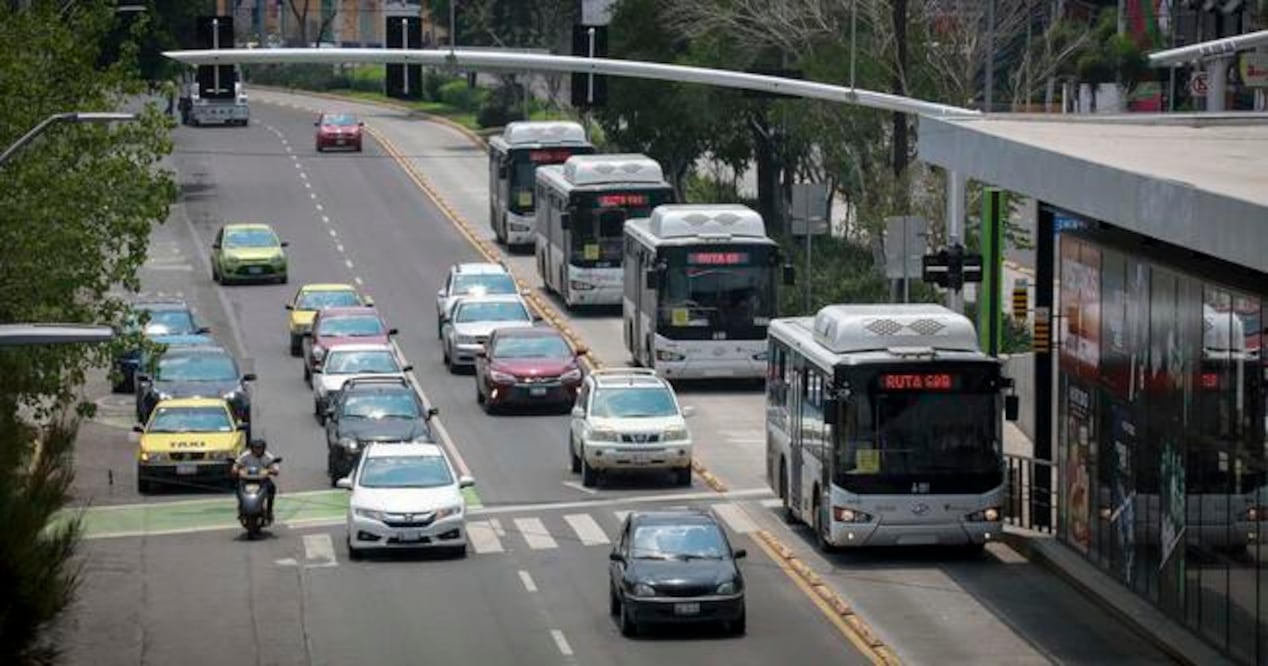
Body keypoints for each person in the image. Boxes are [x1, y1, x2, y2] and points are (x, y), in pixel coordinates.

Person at [233, 438, 279, 523]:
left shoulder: (268, 457)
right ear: (251, 448)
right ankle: (241, 507)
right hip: (247, 479)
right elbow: (237, 464)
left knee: (272, 488)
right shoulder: (245, 455)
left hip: (262, 480)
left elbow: (275, 469)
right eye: (255, 448)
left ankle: (269, 510)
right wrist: (235, 469)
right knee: (237, 487)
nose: (258, 450)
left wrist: (270, 470)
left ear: (264, 448)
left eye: (260, 448)